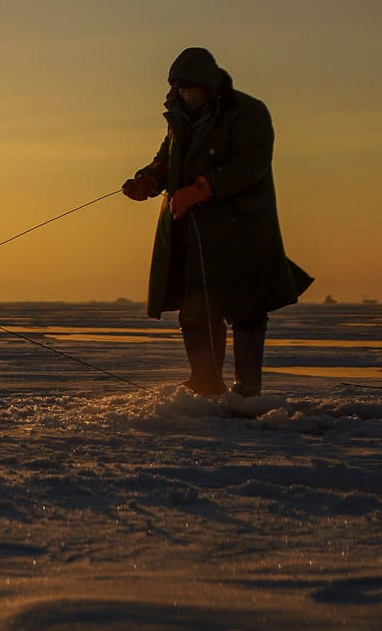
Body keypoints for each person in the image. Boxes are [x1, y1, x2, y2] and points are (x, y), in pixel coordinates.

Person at [122, 48, 312, 397]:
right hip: (190, 231)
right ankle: (205, 383)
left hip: (241, 227)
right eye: (180, 87)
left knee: (246, 307)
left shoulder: (248, 112)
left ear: (209, 85)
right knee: (195, 308)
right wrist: (147, 181)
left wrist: (201, 188)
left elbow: (249, 164)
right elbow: (166, 159)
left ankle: (247, 389)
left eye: (192, 86)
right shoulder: (178, 119)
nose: (186, 93)